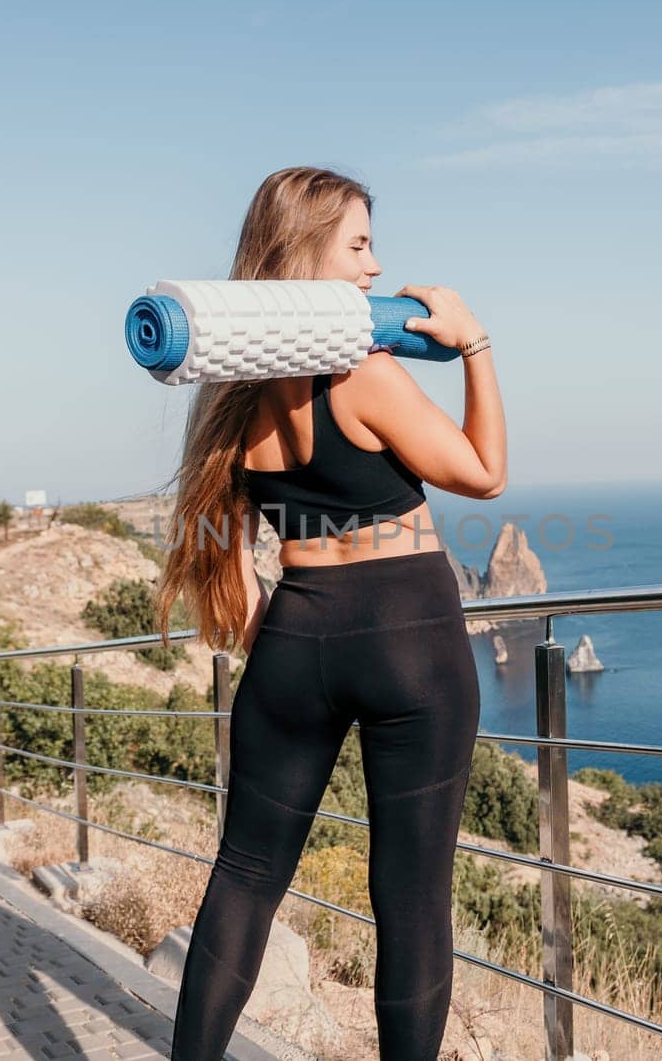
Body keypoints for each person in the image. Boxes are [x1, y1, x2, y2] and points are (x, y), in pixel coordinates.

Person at [153, 165, 507, 1060]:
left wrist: (287, 617)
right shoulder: (363, 372)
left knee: (243, 877)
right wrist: (474, 343)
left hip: (295, 639)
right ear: (303, 253)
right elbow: (483, 471)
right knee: (412, 897)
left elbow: (227, 552)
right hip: (409, 639)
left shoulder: (231, 397)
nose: (374, 267)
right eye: (357, 245)